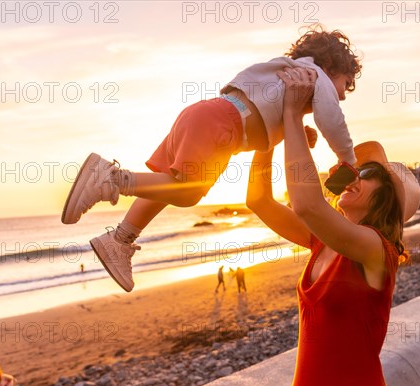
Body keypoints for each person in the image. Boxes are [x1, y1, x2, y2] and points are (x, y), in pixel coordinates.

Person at [60, 26, 363, 293]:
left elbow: (267, 114)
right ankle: (112, 179)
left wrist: (291, 132)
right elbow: (332, 120)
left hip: (210, 115)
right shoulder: (315, 75)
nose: (343, 96)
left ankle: (120, 239)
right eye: (345, 84)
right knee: (189, 191)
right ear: (331, 67)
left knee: (169, 186)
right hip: (225, 126)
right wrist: (347, 159)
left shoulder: (281, 75)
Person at [246, 66, 420, 386]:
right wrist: (272, 137)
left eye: (367, 173)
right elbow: (258, 199)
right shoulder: (321, 242)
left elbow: (308, 205)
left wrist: (292, 114)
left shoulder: (377, 251)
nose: (353, 175)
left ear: (385, 197)